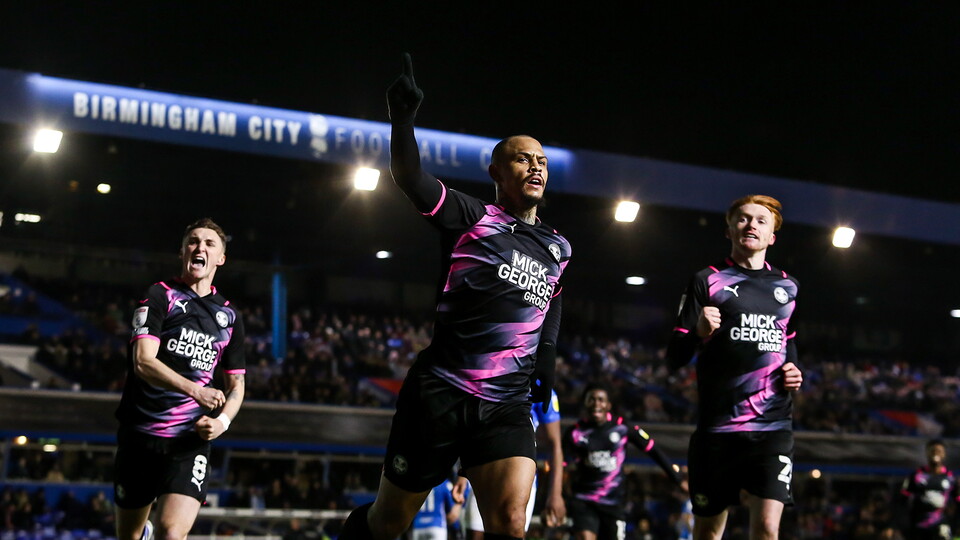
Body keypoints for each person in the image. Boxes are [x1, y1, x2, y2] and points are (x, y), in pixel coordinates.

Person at [339, 54, 571, 540]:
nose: (536, 166)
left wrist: (546, 358)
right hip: (440, 393)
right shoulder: (472, 217)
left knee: (509, 523)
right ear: (497, 171)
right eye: (523, 158)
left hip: (506, 402)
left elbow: (552, 300)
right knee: (388, 523)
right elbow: (410, 178)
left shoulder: (558, 247)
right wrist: (402, 121)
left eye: (542, 161)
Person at [665, 194, 802, 540]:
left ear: (772, 236)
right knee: (710, 531)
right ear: (729, 230)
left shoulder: (788, 287)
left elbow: (790, 345)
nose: (750, 224)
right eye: (742, 218)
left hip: (772, 429)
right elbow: (673, 358)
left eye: (760, 220)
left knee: (768, 529)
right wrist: (697, 333)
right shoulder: (706, 281)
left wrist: (794, 371)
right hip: (719, 432)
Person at [114, 218, 246, 540]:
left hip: (189, 443)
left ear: (220, 258)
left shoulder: (229, 317)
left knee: (172, 534)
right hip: (141, 435)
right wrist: (196, 392)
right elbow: (144, 362)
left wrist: (223, 422)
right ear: (182, 251)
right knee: (128, 536)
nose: (200, 247)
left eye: (209, 243)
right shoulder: (160, 296)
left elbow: (236, 386)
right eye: (193, 241)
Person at [562, 384, 686, 540]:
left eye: (601, 400)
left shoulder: (623, 428)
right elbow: (561, 466)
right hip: (584, 501)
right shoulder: (575, 433)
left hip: (613, 503)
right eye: (591, 399)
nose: (596, 404)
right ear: (585, 403)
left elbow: (653, 450)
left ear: (608, 405)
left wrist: (677, 478)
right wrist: (558, 497)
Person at [460, 390, 567, 538]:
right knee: (476, 535)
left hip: (520, 474)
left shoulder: (540, 385)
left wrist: (555, 493)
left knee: (513, 525)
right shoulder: (487, 376)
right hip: (483, 469)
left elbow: (555, 444)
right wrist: (462, 473)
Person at [896, 439, 959, 540]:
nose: (935, 453)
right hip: (918, 525)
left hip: (940, 523)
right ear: (927, 453)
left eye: (939, 451)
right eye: (932, 450)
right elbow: (902, 500)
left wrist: (956, 524)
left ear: (944, 454)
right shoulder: (916, 476)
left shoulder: (951, 478)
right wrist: (898, 524)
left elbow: (958, 501)